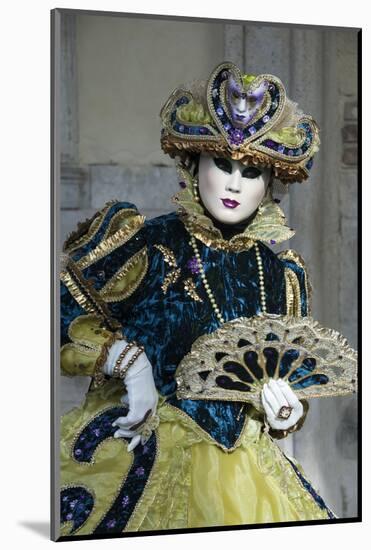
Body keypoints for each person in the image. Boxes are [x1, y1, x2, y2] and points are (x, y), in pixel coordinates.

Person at [59, 61, 340, 537]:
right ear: (194, 164)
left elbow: (279, 376)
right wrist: (132, 365)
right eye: (223, 166)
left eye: (251, 172)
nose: (234, 184)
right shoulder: (149, 243)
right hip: (143, 448)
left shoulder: (279, 275)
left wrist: (284, 410)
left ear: (269, 184)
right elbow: (67, 321)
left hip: (246, 469)